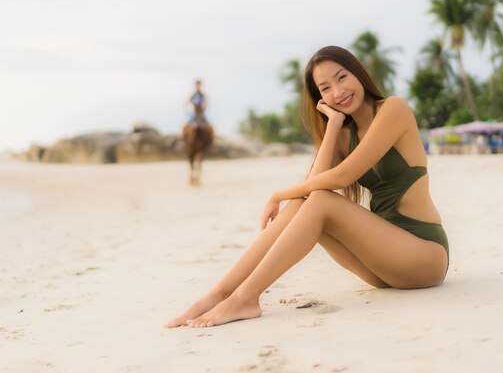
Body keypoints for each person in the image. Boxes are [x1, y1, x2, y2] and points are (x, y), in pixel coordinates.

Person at [165, 46, 450, 329]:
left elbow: (342, 177)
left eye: (342, 78)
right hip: (383, 265)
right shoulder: (342, 135)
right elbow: (310, 189)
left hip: (423, 255)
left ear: (359, 74)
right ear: (319, 98)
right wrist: (335, 125)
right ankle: (221, 293)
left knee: (321, 202)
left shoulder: (393, 109)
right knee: (306, 203)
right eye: (325, 88)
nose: (337, 92)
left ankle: (245, 297)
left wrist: (278, 194)